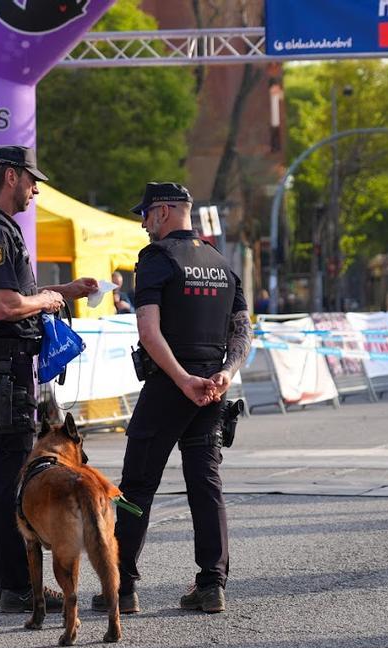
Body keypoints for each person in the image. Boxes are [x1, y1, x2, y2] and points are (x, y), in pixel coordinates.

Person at [93, 182, 250, 616]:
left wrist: (181, 379)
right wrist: (225, 374)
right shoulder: (221, 263)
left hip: (170, 385)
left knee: (137, 485)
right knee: (206, 483)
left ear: (163, 212)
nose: (143, 224)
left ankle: (121, 587)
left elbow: (148, 331)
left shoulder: (156, 258)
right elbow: (243, 331)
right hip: (213, 388)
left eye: (145, 215)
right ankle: (212, 585)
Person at [0, 144, 97, 613]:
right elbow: (4, 305)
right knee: (12, 475)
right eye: (32, 180)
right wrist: (49, 301)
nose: (36, 190)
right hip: (2, 365)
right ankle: (18, 587)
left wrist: (63, 292)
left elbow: (16, 294)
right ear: (11, 176)